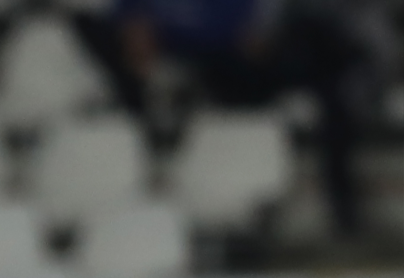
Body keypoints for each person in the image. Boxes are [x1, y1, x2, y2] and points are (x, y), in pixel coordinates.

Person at [77, 0, 394, 235]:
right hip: (199, 74)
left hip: (248, 69)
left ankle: (344, 208)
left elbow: (256, 37)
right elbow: (131, 37)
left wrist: (258, 36)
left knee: (325, 63)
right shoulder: (140, 15)